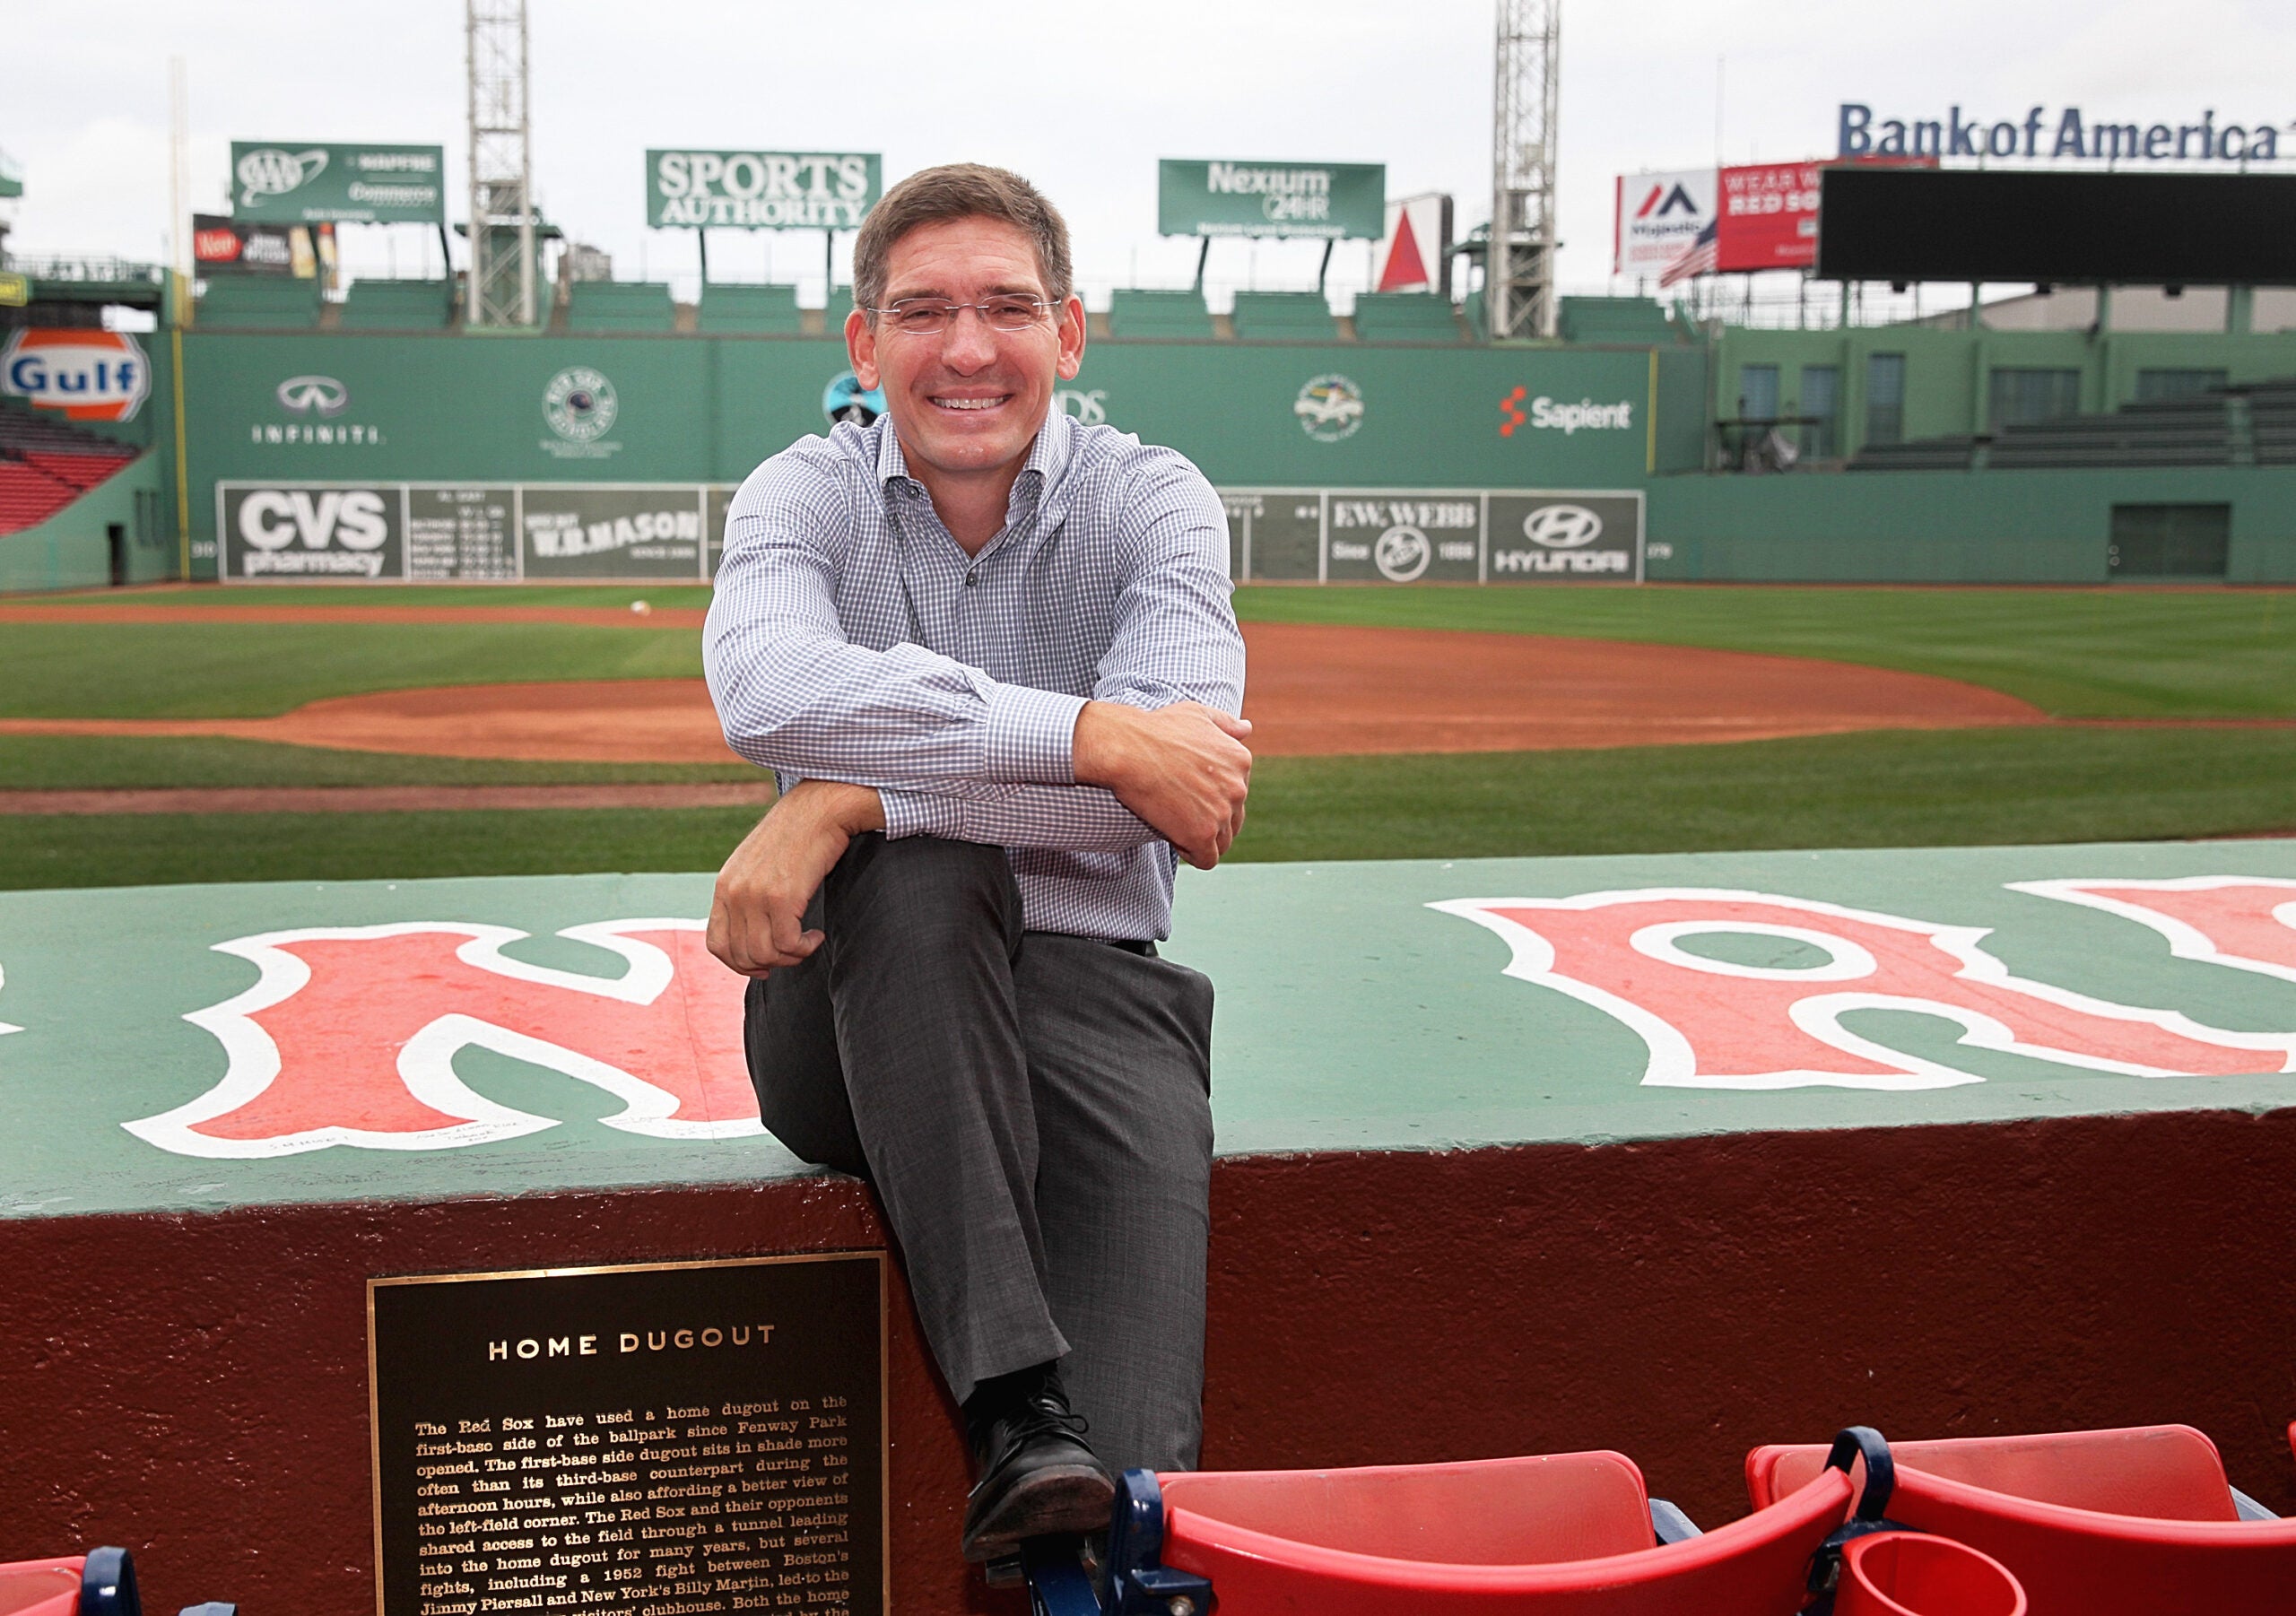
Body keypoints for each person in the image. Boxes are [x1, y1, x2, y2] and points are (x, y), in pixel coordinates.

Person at [701, 163, 1250, 1564]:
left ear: (1070, 335)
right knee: (924, 880)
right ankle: (1014, 1405)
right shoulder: (801, 492)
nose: (965, 347)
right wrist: (1091, 740)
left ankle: (1058, 1449)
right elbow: (763, 688)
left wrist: (845, 798)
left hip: (1093, 994)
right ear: (864, 343)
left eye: (1007, 307)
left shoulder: (1157, 502)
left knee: (1128, 1507)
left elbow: (1176, 803)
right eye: (923, 310)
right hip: (856, 1010)